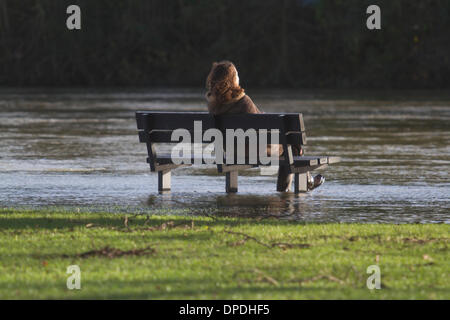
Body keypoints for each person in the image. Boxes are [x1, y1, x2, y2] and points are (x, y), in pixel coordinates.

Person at [205, 60, 324, 191]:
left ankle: (300, 183)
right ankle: (293, 188)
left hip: (232, 151)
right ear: (231, 79)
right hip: (257, 150)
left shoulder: (213, 106)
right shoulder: (243, 101)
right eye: (236, 75)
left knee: (287, 143)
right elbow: (262, 130)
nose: (239, 77)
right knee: (290, 145)